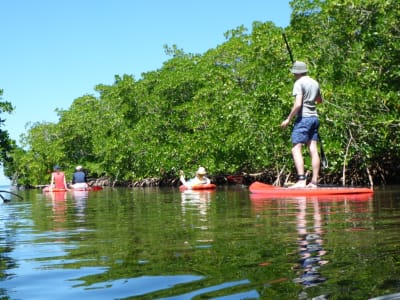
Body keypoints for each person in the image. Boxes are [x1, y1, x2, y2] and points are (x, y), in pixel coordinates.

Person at [280, 61, 323, 188]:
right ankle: (314, 182)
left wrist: (288, 119)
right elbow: (319, 100)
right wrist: (310, 97)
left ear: (296, 73)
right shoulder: (315, 82)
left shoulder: (298, 83)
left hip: (303, 119)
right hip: (314, 118)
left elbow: (298, 104)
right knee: (313, 149)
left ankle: (301, 180)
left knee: (296, 148)